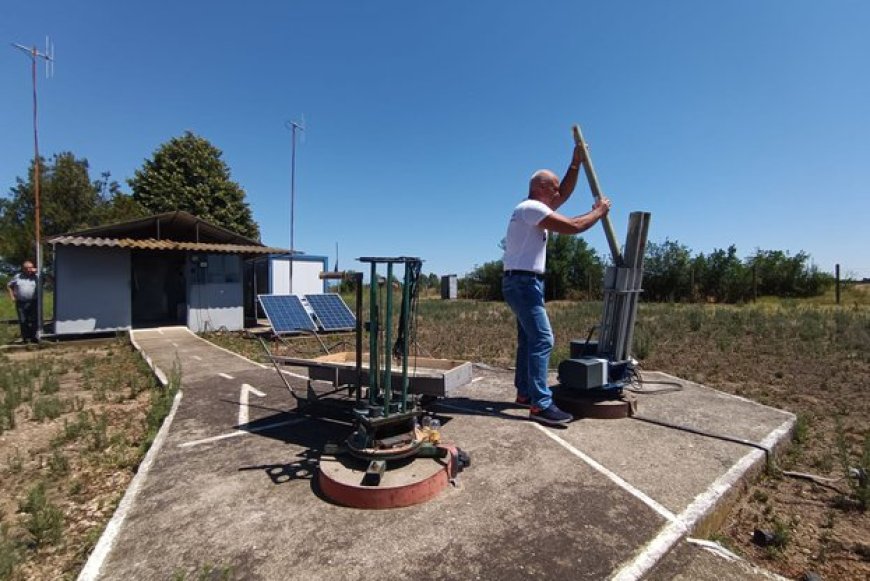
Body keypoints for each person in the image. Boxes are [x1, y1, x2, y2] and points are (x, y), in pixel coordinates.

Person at [502, 142, 611, 426]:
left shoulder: (534, 208)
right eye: (553, 188)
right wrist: (599, 212)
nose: (558, 193)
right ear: (540, 188)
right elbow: (574, 227)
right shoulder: (530, 208)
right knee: (542, 339)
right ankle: (540, 405)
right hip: (523, 283)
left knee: (528, 340)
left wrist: (575, 164)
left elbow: (566, 192)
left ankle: (526, 393)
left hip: (523, 282)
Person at [7, 260, 39, 343]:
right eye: (27, 268)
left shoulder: (37, 276)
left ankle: (34, 337)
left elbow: (50, 280)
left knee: (34, 320)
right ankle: (26, 338)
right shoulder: (18, 276)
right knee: (23, 320)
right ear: (23, 269)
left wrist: (39, 272)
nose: (29, 270)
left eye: (31, 268)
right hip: (21, 302)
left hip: (33, 302)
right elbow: (9, 285)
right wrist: (12, 296)